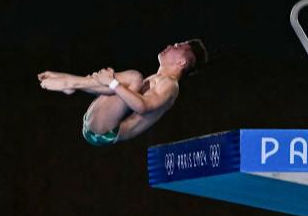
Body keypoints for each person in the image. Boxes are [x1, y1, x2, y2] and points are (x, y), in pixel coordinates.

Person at [38, 40, 208, 146]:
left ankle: (71, 83)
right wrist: (111, 83)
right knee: (129, 81)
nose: (170, 46)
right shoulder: (156, 78)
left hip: (104, 133)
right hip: (98, 122)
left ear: (182, 61)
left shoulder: (170, 85)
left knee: (133, 78)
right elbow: (112, 90)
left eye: (177, 47)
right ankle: (71, 83)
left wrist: (112, 82)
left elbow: (143, 106)